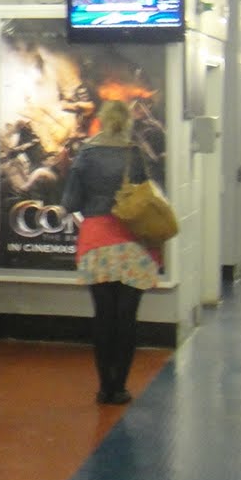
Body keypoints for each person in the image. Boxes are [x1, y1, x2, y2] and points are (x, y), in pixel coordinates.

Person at [61, 99, 159, 406]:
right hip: (132, 241)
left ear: (102, 121)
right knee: (127, 317)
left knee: (103, 315)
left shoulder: (86, 153)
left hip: (96, 240)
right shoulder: (134, 153)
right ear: (127, 122)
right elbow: (145, 197)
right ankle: (121, 387)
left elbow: (71, 201)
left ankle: (104, 387)